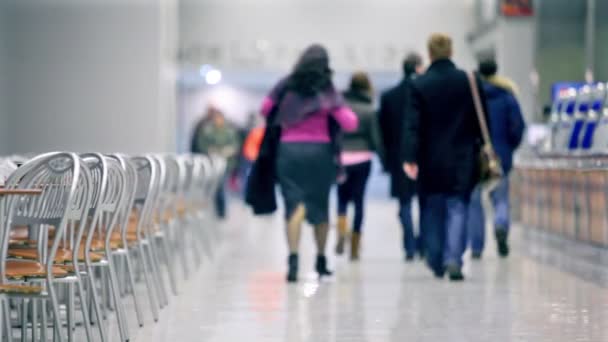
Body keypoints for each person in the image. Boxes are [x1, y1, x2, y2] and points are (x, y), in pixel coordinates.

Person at [260, 44, 358, 282]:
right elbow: (350, 123)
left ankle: (293, 261)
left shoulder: (286, 84)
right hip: (319, 154)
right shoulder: (326, 88)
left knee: (293, 206)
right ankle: (321, 260)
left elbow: (265, 109)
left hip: (289, 152)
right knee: (320, 207)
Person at [402, 33, 489, 281]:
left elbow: (412, 125)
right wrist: (484, 146)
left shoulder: (419, 84)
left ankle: (436, 258)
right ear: (451, 52)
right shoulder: (468, 81)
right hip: (463, 156)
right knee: (458, 205)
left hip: (430, 159)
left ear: (429, 54)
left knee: (431, 207)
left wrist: (409, 157)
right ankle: (454, 259)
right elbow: (482, 120)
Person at [467, 59, 526, 259]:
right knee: (500, 199)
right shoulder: (507, 96)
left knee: (475, 201)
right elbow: (518, 127)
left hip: (475, 156)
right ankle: (501, 225)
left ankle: (476, 246)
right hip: (500, 155)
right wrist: (510, 147)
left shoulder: (471, 96)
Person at [379, 52, 424, 261]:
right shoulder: (426, 93)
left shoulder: (389, 97)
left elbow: (384, 132)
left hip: (398, 157)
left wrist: (385, 159)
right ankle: (424, 243)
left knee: (404, 203)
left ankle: (409, 247)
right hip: (425, 155)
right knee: (426, 201)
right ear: (417, 68)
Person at [335, 71, 381, 261]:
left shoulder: (340, 108)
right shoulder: (369, 109)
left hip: (342, 158)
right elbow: (375, 138)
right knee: (359, 200)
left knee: (342, 198)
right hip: (362, 158)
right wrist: (384, 158)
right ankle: (354, 246)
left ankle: (341, 232)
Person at [192, 107, 240, 218]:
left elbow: (236, 145)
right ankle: (213, 210)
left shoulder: (229, 130)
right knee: (213, 188)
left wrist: (228, 150)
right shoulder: (207, 130)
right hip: (211, 164)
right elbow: (201, 144)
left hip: (226, 164)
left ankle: (222, 212)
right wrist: (210, 150)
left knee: (222, 188)